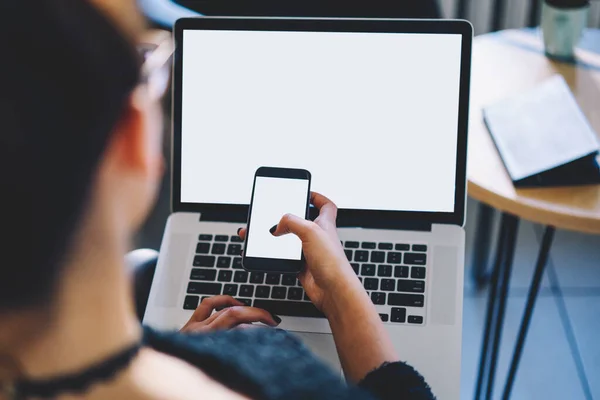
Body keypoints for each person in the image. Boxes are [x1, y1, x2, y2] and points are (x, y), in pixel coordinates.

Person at [0, 1, 435, 399]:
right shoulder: (278, 375)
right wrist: (342, 288)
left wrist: (176, 350)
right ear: (132, 139)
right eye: (151, 70)